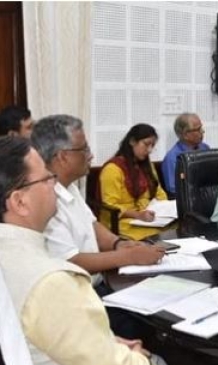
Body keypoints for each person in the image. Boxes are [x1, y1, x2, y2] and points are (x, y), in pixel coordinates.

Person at [0, 136, 218, 365]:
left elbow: (48, 332)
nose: (54, 185)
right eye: (46, 179)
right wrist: (135, 356)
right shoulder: (51, 281)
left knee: (160, 363)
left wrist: (110, 342)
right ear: (20, 202)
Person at [31, 115, 165, 336]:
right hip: (76, 299)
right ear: (63, 156)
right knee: (145, 326)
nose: (91, 155)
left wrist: (118, 243)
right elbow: (71, 261)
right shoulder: (44, 199)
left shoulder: (69, 186)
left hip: (98, 283)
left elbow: (92, 224)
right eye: (84, 149)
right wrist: (129, 256)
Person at [99, 124, 169, 240]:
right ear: (132, 141)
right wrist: (138, 215)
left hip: (149, 216)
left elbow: (159, 192)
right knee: (154, 234)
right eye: (146, 144)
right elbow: (110, 205)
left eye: (152, 146)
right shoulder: (113, 169)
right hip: (123, 221)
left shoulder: (148, 166)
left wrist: (166, 210)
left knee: (177, 226)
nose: (150, 150)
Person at [162, 113, 210, 196]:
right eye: (198, 129)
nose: (202, 131)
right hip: (188, 199)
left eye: (201, 127)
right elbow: (173, 189)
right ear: (185, 135)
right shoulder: (172, 158)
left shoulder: (205, 148)